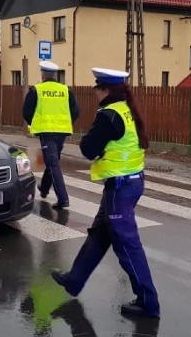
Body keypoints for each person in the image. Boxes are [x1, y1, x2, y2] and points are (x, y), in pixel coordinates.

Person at [51, 67, 160, 319]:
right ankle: (74, 280)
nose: (95, 93)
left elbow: (88, 149)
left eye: (97, 88)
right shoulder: (126, 109)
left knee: (127, 246)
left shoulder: (110, 115)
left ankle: (148, 303)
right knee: (99, 234)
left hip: (120, 189)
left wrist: (91, 142)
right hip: (128, 183)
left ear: (105, 90)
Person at [22, 60, 80, 210]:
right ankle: (45, 188)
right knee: (52, 159)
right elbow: (75, 112)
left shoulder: (37, 90)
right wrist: (65, 121)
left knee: (53, 163)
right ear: (54, 75)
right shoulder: (66, 90)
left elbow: (27, 112)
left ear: (42, 74)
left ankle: (63, 199)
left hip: (46, 132)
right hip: (62, 131)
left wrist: (35, 123)